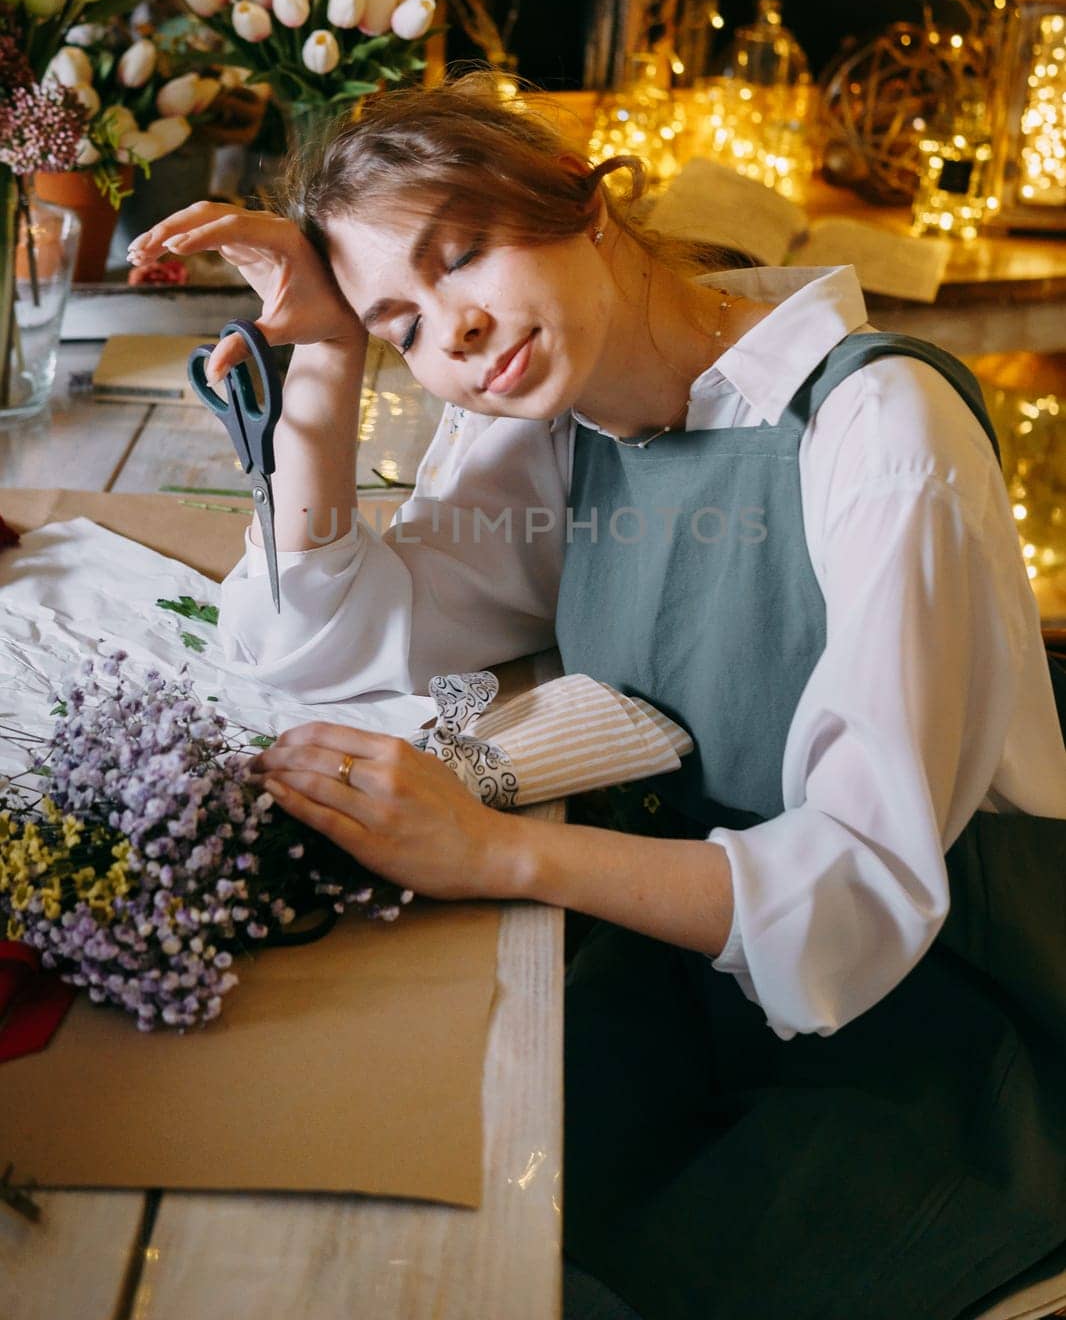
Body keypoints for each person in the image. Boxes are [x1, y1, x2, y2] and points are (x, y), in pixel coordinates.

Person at [131, 75, 1066, 1320]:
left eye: (462, 256)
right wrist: (325, 356)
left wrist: (496, 853)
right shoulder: (566, 422)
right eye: (404, 321)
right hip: (688, 979)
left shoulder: (877, 428)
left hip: (925, 1042)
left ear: (580, 202)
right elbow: (322, 643)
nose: (452, 334)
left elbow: (861, 887)